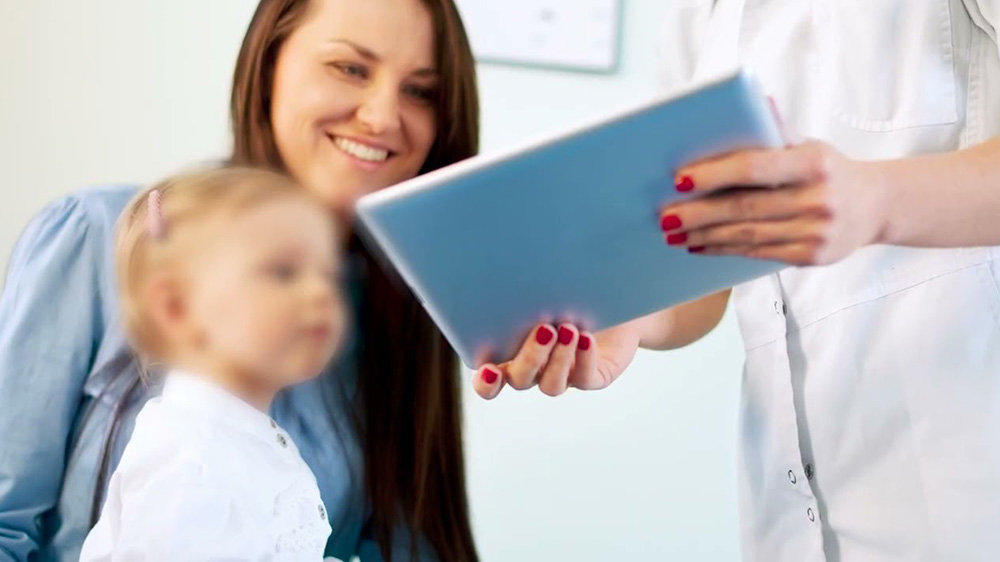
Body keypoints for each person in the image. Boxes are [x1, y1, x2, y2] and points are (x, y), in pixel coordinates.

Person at [473, 1, 1000, 560]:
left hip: (965, 485)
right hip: (795, 516)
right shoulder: (695, 14)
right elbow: (710, 258)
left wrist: (877, 201)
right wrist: (630, 311)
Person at [0, 0, 499, 560]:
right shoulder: (99, 236)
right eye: (351, 68)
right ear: (267, 68)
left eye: (421, 91)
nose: (383, 116)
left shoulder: (397, 303)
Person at [79, 167, 345, 560]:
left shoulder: (235, 440)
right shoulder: (188, 467)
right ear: (177, 309)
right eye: (284, 272)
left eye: (327, 273)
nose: (321, 293)